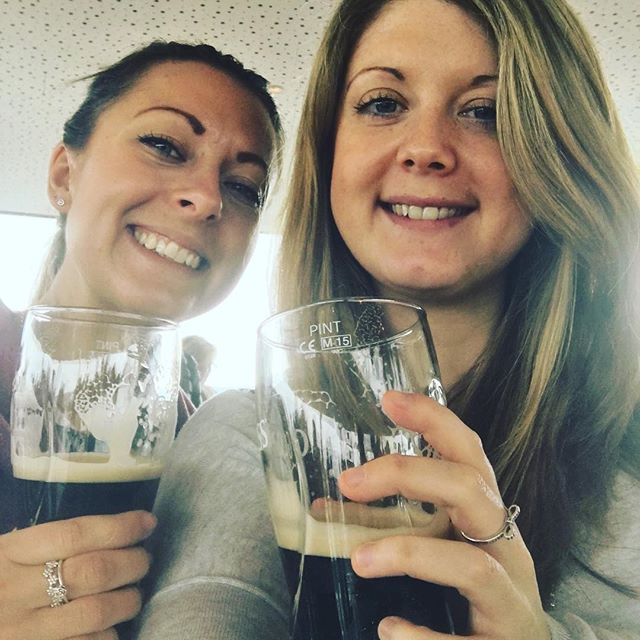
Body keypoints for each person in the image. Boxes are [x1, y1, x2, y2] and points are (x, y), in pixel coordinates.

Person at [136, 0, 640, 638]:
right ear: (331, 155)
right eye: (382, 103)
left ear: (560, 155)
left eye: (484, 111)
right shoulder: (241, 432)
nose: (426, 148)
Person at [0, 40, 282, 640]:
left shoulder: (232, 447)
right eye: (164, 146)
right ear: (64, 175)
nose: (207, 198)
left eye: (243, 187)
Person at [180, 334, 217, 406]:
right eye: (198, 369)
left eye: (209, 366)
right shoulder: (171, 397)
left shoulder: (212, 396)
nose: (199, 374)